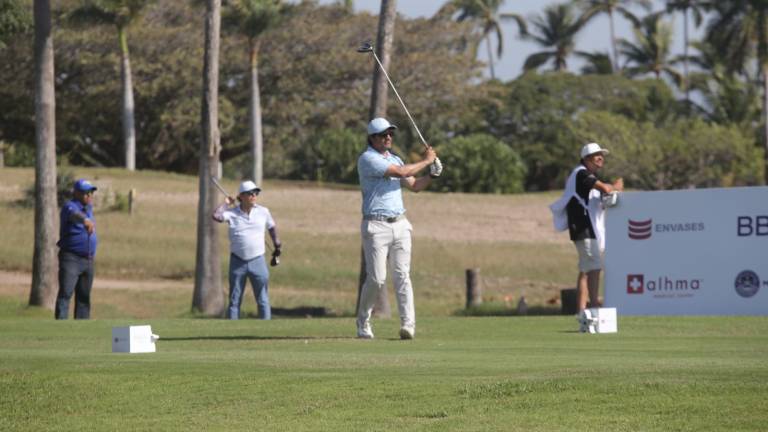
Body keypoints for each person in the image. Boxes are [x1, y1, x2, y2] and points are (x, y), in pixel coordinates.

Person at [356, 117, 443, 340]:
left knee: (402, 275)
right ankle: (363, 321)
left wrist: (431, 175)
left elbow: (414, 185)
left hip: (401, 224)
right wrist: (427, 160)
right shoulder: (368, 159)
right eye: (383, 134)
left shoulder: (395, 158)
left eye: (390, 134)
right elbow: (402, 172)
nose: (388, 137)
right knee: (377, 278)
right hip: (376, 225)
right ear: (372, 138)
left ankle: (408, 325)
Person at [550, 143, 623, 312]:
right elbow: (605, 188)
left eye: (601, 155)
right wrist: (616, 187)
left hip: (584, 228)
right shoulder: (581, 173)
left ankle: (582, 311)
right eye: (596, 155)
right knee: (594, 267)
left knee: (585, 269)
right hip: (584, 228)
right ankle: (594, 307)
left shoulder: (585, 174)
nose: (601, 158)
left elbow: (598, 200)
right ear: (587, 158)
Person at [212, 180, 281, 320]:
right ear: (241, 196)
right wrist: (226, 203)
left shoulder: (263, 212)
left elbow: (271, 227)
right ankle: (232, 330)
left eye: (256, 193)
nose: (254, 196)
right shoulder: (232, 213)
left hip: (258, 260)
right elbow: (216, 216)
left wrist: (277, 245)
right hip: (237, 261)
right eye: (250, 193)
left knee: (263, 299)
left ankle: (265, 329)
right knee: (234, 300)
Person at [55, 179, 98, 319]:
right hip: (71, 258)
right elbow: (75, 216)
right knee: (66, 294)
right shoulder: (70, 207)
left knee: (84, 298)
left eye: (91, 192)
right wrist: (85, 221)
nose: (89, 195)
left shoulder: (89, 208)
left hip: (88, 260)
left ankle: (82, 328)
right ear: (77, 193)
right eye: (86, 193)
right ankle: (60, 327)